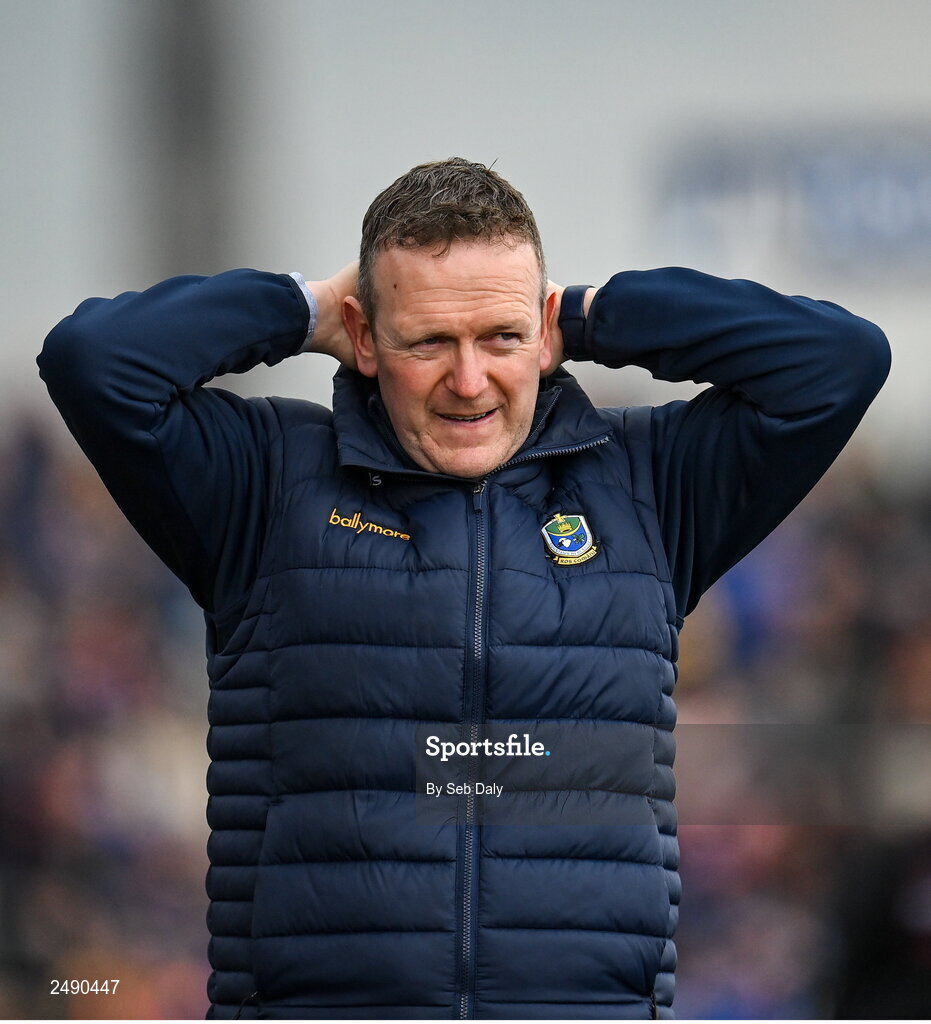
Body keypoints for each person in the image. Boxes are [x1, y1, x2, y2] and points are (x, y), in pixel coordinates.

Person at [38, 157, 890, 1020]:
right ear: (364, 337)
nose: (470, 380)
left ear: (543, 334)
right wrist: (301, 309)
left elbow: (837, 361)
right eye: (429, 342)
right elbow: (93, 361)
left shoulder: (650, 484)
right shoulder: (264, 481)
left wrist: (593, 317)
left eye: (501, 337)